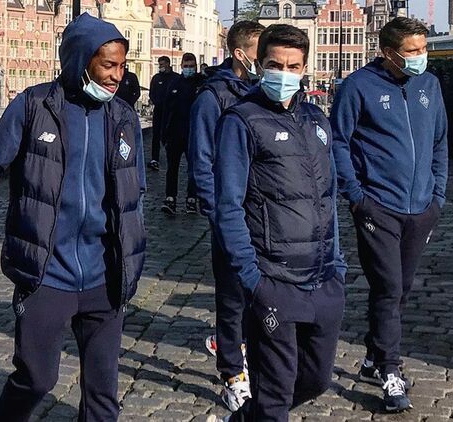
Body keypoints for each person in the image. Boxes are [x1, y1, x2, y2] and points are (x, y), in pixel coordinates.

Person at [0, 14, 146, 422]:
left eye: (122, 66)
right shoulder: (34, 106)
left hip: (105, 277)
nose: (117, 76)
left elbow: (135, 191)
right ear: (80, 60)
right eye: (108, 65)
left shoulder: (124, 118)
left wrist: (132, 254)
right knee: (37, 378)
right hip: (46, 275)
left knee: (103, 396)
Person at [208, 24, 347, 422]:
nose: (284, 73)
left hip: (322, 278)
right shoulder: (242, 120)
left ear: (304, 68)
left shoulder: (317, 119)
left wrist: (337, 265)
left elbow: (328, 196)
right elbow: (228, 205)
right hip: (274, 280)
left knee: (315, 380)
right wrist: (253, 278)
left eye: (293, 66)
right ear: (259, 64)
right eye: (275, 65)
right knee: (274, 394)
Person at [331, 17, 447, 413]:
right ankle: (390, 369)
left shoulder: (429, 85)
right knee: (389, 287)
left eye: (423, 49)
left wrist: (437, 195)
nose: (420, 56)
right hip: (377, 207)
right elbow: (339, 142)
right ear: (388, 52)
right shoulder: (358, 86)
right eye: (412, 51)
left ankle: (372, 355)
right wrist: (356, 196)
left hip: (421, 208)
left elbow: (439, 141)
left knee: (402, 287)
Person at [188, 20, 264, 412]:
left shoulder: (263, 92)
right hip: (230, 210)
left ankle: (247, 351)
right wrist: (216, 211)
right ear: (240, 54)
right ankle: (233, 374)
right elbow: (201, 160)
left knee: (258, 293)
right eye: (259, 53)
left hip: (264, 210)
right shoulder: (212, 97)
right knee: (232, 296)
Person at [160, 52, 205, 215]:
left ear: (196, 66)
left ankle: (191, 199)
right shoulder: (175, 83)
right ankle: (170, 197)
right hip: (175, 132)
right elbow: (166, 110)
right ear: (181, 66)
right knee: (172, 168)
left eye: (191, 66)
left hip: (194, 133)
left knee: (193, 168)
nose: (188, 69)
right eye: (186, 66)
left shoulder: (201, 84)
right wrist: (163, 133)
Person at [148, 56, 179, 171]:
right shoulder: (156, 78)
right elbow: (152, 93)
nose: (160, 66)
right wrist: (157, 102)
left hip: (172, 112)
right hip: (159, 111)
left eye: (162, 64)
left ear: (168, 64)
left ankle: (171, 156)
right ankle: (154, 158)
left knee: (171, 135)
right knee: (156, 134)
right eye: (159, 64)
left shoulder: (176, 78)